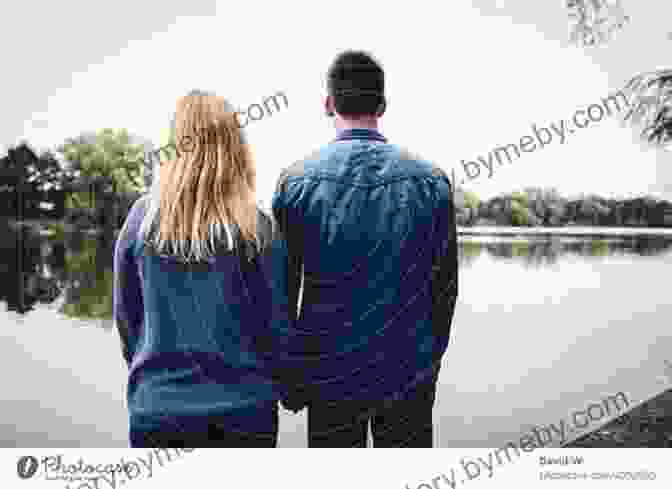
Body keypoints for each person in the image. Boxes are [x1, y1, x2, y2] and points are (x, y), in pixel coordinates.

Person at [272, 50, 459, 447]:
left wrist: (291, 373)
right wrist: (429, 362)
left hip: (330, 374)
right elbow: (445, 292)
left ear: (328, 104)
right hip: (409, 372)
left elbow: (282, 297)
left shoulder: (295, 183)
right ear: (383, 104)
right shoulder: (433, 183)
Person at [113, 89, 286, 447]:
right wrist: (288, 386)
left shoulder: (141, 220)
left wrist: (152, 371)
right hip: (245, 414)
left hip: (159, 411)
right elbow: (278, 327)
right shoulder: (258, 227)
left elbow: (126, 319)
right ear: (233, 145)